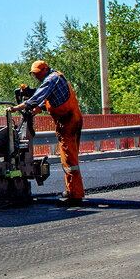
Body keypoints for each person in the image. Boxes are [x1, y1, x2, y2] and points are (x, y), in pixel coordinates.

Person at [8, 60, 85, 203]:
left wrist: (16, 108)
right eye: (34, 75)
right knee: (68, 158)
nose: (36, 77)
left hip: (69, 122)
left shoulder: (51, 79)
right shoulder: (56, 77)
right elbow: (51, 98)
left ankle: (75, 195)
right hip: (68, 121)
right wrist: (38, 109)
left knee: (70, 160)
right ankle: (73, 191)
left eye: (38, 74)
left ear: (45, 69)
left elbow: (38, 96)